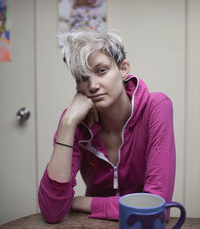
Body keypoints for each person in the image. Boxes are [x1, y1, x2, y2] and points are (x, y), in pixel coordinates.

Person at [38, 31, 176, 224]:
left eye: (101, 70)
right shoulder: (77, 122)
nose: (92, 85)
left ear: (123, 68)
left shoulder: (156, 107)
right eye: (82, 78)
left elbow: (155, 207)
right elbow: (52, 211)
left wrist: (81, 203)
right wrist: (68, 123)